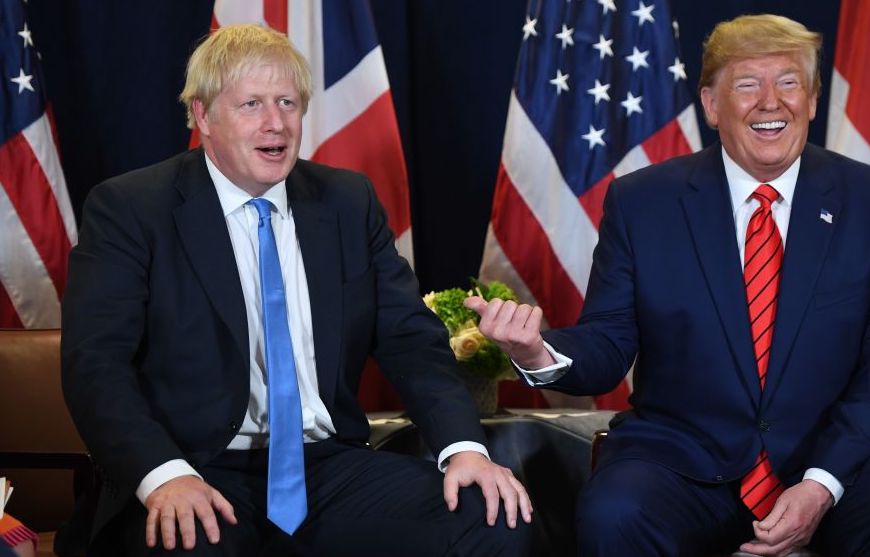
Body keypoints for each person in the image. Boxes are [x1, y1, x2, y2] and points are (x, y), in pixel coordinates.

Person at [467, 13, 870, 557]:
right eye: (747, 84)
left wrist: (820, 483)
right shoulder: (642, 203)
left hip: (839, 463)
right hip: (686, 462)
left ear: (813, 101)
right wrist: (538, 351)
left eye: (789, 82)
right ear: (712, 104)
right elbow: (608, 340)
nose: (771, 102)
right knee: (614, 515)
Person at [61, 24, 531, 556]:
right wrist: (162, 475)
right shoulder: (132, 209)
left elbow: (410, 339)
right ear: (202, 115)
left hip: (326, 466)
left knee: (492, 518)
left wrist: (463, 449)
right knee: (192, 545)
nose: (275, 123)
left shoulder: (346, 202)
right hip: (195, 466)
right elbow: (95, 365)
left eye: (288, 102)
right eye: (251, 104)